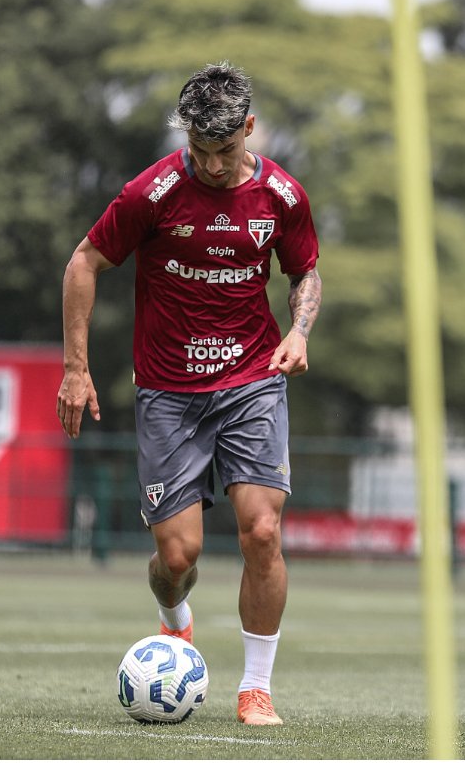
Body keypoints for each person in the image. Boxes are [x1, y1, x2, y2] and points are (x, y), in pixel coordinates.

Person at [57, 62, 321, 727]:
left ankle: (255, 689)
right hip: (168, 392)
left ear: (249, 129)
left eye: (223, 150)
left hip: (251, 381)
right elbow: (84, 262)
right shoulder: (151, 193)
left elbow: (305, 272)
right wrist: (76, 368)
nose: (209, 164)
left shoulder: (283, 196)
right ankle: (174, 616)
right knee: (178, 557)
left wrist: (298, 332)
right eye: (198, 149)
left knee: (262, 531)